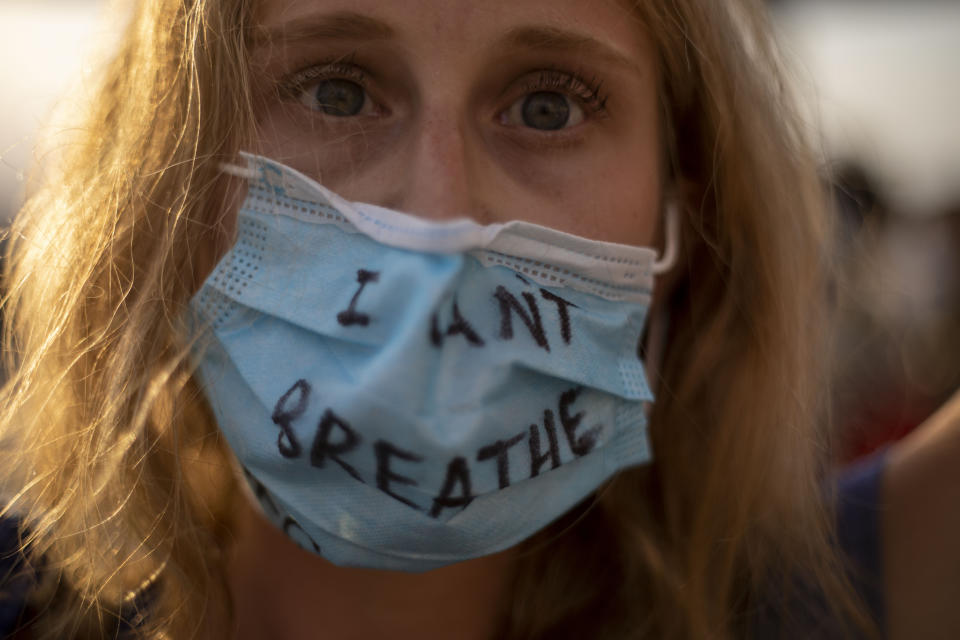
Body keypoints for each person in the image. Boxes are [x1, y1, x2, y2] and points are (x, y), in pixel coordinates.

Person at [2, 0, 955, 638]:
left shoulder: (838, 592)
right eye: (337, 89)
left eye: (547, 106)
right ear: (165, 184)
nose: (439, 219)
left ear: (681, 227)